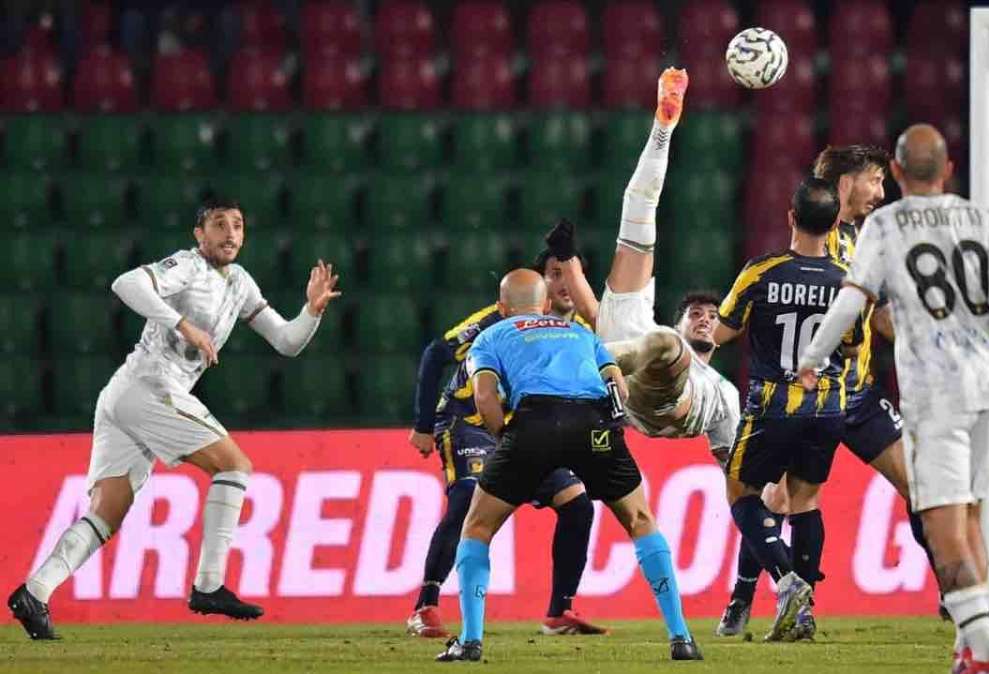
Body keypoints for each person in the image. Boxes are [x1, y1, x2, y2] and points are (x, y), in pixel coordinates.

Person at [8, 199, 341, 640]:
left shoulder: (239, 282)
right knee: (234, 466)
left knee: (107, 513)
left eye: (237, 225)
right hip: (149, 387)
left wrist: (311, 312)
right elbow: (125, 284)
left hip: (126, 395)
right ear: (198, 235)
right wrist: (182, 323)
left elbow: (285, 341)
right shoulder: (187, 266)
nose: (230, 233)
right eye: (218, 225)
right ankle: (208, 586)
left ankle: (35, 592)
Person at [796, 124, 989, 674]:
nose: (881, 192)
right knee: (970, 512)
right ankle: (970, 638)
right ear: (949, 170)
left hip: (937, 388)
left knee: (943, 525)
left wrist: (811, 358)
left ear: (896, 171)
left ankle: (983, 655)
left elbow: (851, 304)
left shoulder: (885, 227)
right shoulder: (979, 216)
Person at [435, 270, 701, 662]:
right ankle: (681, 638)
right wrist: (608, 432)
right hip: (592, 423)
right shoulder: (578, 333)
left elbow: (485, 396)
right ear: (545, 304)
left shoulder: (490, 336)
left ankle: (471, 641)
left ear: (502, 306)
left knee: (477, 526)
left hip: (533, 425)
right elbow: (618, 385)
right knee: (641, 520)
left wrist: (505, 438)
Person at [547, 66, 741, 470]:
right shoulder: (660, 332)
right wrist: (567, 257)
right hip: (637, 363)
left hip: (670, 403)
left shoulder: (727, 395)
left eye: (712, 316)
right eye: (696, 314)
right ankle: (663, 126)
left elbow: (733, 468)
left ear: (722, 334)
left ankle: (585, 367)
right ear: (679, 320)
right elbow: (595, 314)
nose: (705, 320)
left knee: (662, 348)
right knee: (637, 206)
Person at [405, 252, 603, 637]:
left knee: (577, 503)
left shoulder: (578, 329)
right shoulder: (494, 320)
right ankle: (425, 606)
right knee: (466, 499)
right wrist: (423, 425)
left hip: (525, 429)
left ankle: (559, 612)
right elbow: (436, 354)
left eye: (569, 275)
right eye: (554, 275)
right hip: (469, 422)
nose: (562, 284)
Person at [711, 177, 852, 642]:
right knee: (806, 500)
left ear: (790, 217)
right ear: (835, 223)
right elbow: (850, 348)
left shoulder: (761, 270)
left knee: (741, 494)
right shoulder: (846, 280)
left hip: (773, 402)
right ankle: (804, 614)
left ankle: (786, 580)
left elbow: (723, 332)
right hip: (829, 404)